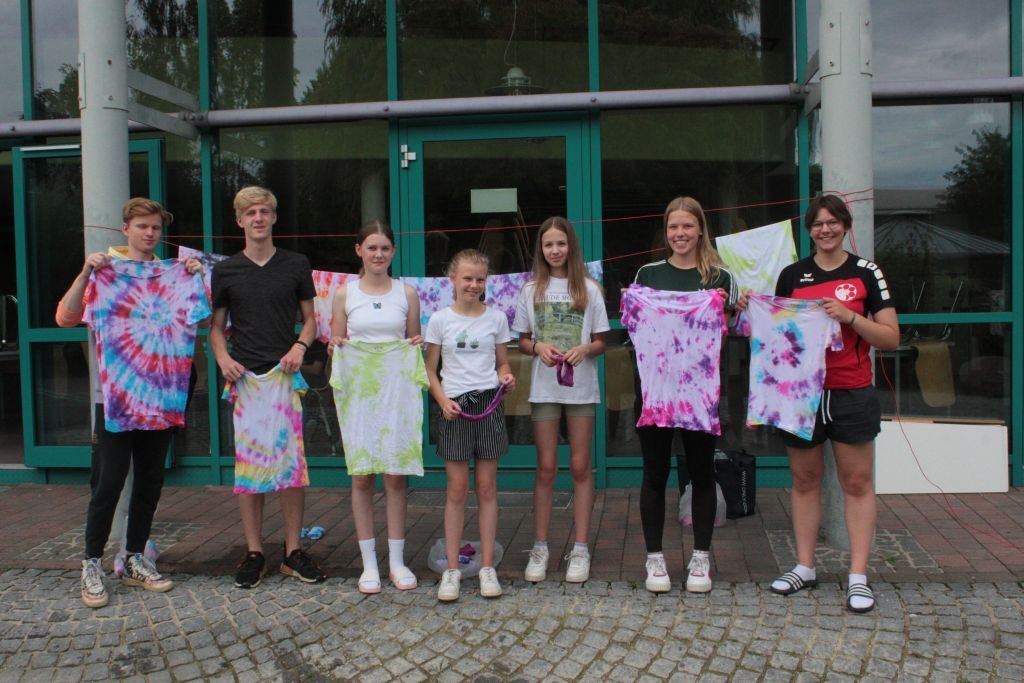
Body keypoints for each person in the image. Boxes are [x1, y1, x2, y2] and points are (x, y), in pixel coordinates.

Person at [57, 197, 207, 608]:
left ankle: (136, 557)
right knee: (107, 483)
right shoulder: (106, 271)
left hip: (160, 396)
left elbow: (205, 316)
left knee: (150, 481)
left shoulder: (174, 274)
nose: (150, 233)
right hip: (116, 399)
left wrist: (198, 277)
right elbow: (65, 318)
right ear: (126, 229)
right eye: (143, 226)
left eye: (155, 227)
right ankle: (91, 564)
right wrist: (86, 273)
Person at [759, 194, 898, 613]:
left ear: (845, 225)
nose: (825, 230)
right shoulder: (792, 275)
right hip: (800, 394)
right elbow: (775, 334)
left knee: (856, 483)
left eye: (832, 222)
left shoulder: (866, 272)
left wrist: (850, 317)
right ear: (809, 230)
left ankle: (858, 576)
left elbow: (891, 338)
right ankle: (805, 566)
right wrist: (752, 309)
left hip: (850, 391)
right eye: (818, 224)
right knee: (804, 481)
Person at [210, 185, 326, 588]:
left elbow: (311, 321)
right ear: (239, 220)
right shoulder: (226, 270)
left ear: (274, 217)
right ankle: (254, 552)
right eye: (250, 213)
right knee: (250, 468)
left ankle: (292, 552)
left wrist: (299, 346)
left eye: (264, 211)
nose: (258, 218)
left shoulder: (295, 264)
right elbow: (215, 328)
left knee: (292, 467)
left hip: (284, 377)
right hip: (244, 379)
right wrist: (222, 359)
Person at [632, 196, 737, 594]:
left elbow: (725, 335)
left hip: (699, 393)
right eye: (673, 227)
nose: (680, 234)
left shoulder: (720, 278)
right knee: (654, 474)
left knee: (702, 472)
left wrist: (725, 311)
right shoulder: (648, 274)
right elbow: (636, 329)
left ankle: (701, 557)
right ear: (666, 231)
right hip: (656, 391)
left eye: (687, 226)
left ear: (700, 229)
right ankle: (654, 557)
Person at [328, 220, 424, 594]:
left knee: (396, 474)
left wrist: (416, 344)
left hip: (396, 392)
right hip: (360, 394)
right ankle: (369, 564)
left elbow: (412, 341)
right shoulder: (344, 294)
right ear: (359, 251)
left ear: (393, 252)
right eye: (372, 248)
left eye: (385, 248)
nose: (379, 254)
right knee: (362, 474)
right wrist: (336, 346)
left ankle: (397, 561)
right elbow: (337, 344)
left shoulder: (407, 293)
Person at [513, 217, 608, 583]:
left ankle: (580, 548)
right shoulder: (530, 290)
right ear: (541, 248)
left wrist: (586, 349)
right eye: (549, 244)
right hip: (544, 390)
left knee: (581, 467)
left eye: (561, 244)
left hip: (580, 389)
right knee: (546, 467)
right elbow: (522, 340)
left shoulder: (589, 288)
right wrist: (537, 347)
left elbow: (602, 340)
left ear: (572, 247)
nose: (555, 250)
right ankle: (540, 547)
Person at [425, 249, 516, 602]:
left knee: (487, 488)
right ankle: (451, 570)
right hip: (454, 408)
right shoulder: (439, 320)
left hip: (488, 405)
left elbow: (503, 363)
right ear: (453, 279)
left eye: (480, 279)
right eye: (467, 278)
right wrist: (442, 401)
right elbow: (430, 370)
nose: (473, 285)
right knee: (457, 490)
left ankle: (487, 567)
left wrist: (506, 377)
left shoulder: (496, 318)